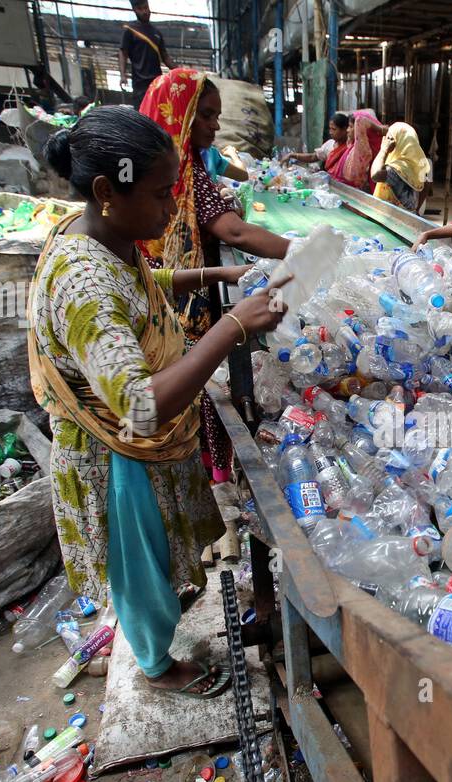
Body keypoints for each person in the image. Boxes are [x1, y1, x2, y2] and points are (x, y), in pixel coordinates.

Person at [32, 106, 286, 694]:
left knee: (155, 561)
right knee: (139, 571)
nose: (173, 210)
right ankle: (156, 665)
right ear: (106, 191)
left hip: (139, 450)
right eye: (159, 195)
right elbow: (140, 407)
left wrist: (211, 279)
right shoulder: (83, 284)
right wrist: (231, 330)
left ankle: (156, 639)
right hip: (118, 454)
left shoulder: (106, 236)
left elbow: (143, 287)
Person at [139, 68, 292, 483]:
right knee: (190, 379)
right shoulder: (179, 172)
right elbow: (235, 231)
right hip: (174, 314)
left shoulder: (185, 167)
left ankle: (202, 473)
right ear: (181, 115)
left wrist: (222, 271)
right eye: (205, 115)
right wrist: (301, 251)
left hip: (177, 288)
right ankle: (199, 471)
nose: (215, 125)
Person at [285, 110, 386, 191]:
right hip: (336, 188)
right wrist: (292, 155)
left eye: (350, 127)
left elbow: (360, 120)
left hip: (351, 193)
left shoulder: (360, 149)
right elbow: (313, 156)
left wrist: (380, 129)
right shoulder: (348, 146)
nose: (348, 131)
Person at [119, 0, 172, 108]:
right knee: (142, 116)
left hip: (157, 82)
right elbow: (123, 53)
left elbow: (165, 56)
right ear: (134, 10)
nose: (145, 12)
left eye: (146, 7)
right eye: (140, 9)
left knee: (159, 112)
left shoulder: (157, 33)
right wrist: (122, 75)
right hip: (140, 84)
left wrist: (179, 70)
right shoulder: (130, 30)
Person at [371, 122, 431, 211]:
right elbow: (426, 184)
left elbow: (375, 175)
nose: (385, 140)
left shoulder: (397, 168)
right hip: (407, 216)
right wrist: (416, 211)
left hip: (390, 219)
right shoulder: (420, 163)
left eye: (389, 138)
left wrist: (383, 150)